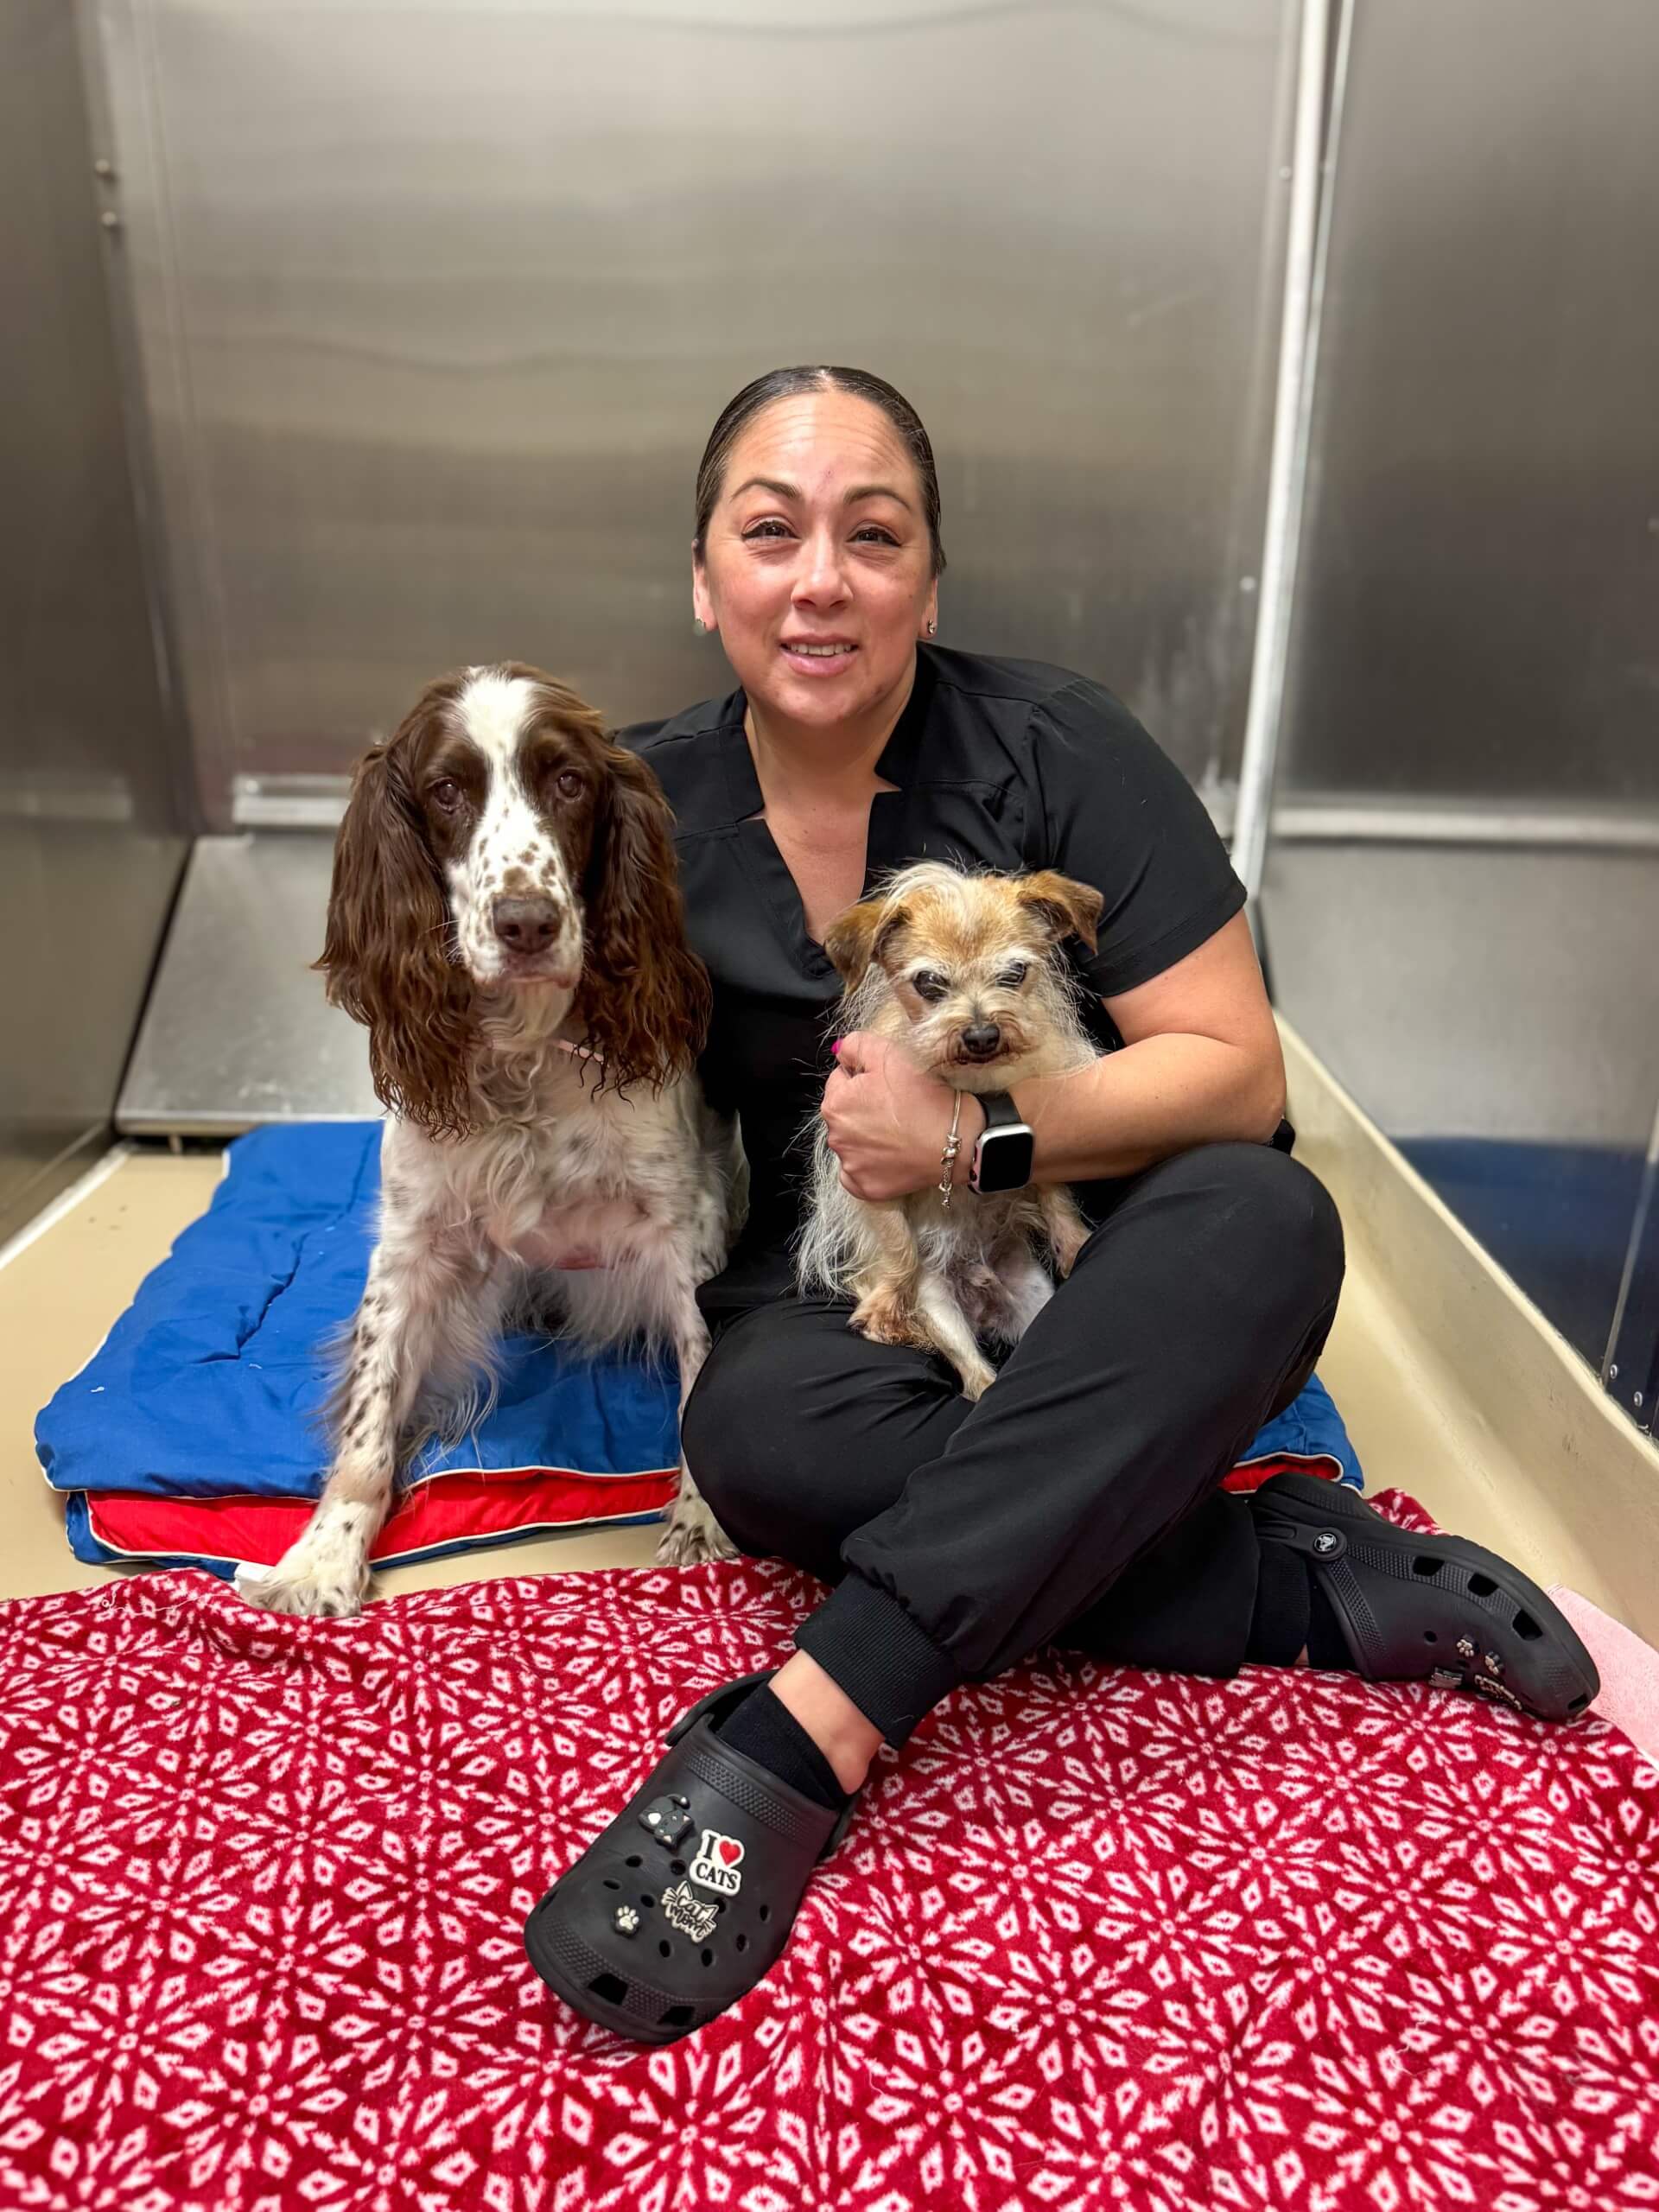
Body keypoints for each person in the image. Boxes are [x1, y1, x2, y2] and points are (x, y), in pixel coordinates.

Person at [522, 365, 1599, 2044]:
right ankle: (1291, 1580)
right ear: (703, 579)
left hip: (1102, 1263)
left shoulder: (1060, 744)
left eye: (876, 536)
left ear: (931, 581)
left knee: (1268, 1219)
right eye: (772, 532)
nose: (822, 580)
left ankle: (813, 1721)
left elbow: (1235, 1074)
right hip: (851, 1280)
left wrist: (974, 1138)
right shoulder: (641, 811)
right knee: (756, 1438)